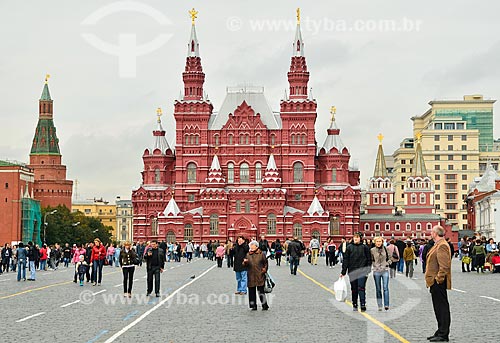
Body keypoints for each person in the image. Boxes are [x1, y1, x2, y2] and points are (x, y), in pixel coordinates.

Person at [425, 225, 452, 342]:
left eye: (432, 232)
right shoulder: (438, 245)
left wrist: (438, 279)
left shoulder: (442, 246)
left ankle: (443, 333)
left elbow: (444, 266)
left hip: (438, 282)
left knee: (442, 307)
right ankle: (440, 331)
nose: (431, 234)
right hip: (435, 281)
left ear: (435, 233)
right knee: (438, 307)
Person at [340, 232, 372, 312]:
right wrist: (343, 271)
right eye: (355, 237)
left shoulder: (365, 247)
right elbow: (346, 260)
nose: (356, 239)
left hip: (362, 271)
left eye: (357, 237)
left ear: (360, 238)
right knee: (354, 288)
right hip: (352, 270)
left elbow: (369, 259)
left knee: (361, 287)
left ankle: (362, 304)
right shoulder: (349, 247)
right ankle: (354, 303)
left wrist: (368, 269)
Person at [243, 240, 269, 311]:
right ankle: (253, 305)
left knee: (261, 291)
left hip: (259, 274)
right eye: (250, 246)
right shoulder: (248, 254)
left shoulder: (261, 254)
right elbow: (244, 265)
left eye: (252, 246)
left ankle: (264, 305)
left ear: (256, 246)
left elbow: (265, 263)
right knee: (251, 291)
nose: (251, 247)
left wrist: (264, 269)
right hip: (251, 274)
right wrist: (245, 263)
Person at [370, 236, 390, 311]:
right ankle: (379, 305)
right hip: (376, 271)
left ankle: (386, 304)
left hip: (385, 270)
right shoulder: (372, 250)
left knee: (385, 288)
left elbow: (390, 258)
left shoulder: (386, 249)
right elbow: (371, 260)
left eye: (380, 241)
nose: (378, 243)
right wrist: (374, 265)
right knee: (378, 289)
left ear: (382, 242)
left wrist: (387, 264)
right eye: (377, 241)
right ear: (375, 242)